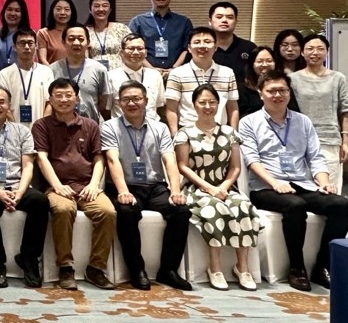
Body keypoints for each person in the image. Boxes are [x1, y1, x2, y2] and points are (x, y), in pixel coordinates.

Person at [240, 70, 348, 291]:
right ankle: (297, 268)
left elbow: (315, 157)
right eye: (271, 91)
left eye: (282, 90)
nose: (277, 95)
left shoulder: (303, 121)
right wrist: (275, 183)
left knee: (341, 205)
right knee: (295, 206)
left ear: (289, 93)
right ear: (261, 93)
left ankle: (323, 266)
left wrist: (323, 182)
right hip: (266, 187)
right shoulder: (249, 122)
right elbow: (251, 160)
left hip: (302, 183)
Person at [102, 81, 191, 291]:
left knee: (181, 211)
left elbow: (169, 159)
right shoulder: (109, 126)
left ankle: (168, 270)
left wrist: (175, 191)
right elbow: (112, 160)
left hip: (154, 186)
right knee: (126, 211)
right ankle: (136, 270)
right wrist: (123, 191)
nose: (132, 103)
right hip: (124, 185)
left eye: (136, 98)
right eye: (126, 99)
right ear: (119, 103)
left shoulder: (159, 128)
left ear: (146, 101)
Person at [33, 78, 116, 291]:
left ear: (76, 98)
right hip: (56, 187)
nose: (64, 100)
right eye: (58, 96)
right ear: (50, 100)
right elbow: (41, 158)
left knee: (107, 212)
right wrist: (57, 185)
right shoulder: (41, 125)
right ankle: (65, 267)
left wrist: (94, 184)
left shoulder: (90, 125)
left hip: (87, 186)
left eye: (68, 95)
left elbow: (99, 159)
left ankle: (96, 268)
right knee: (63, 210)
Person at [175, 84, 260, 291]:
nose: (207, 107)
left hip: (225, 187)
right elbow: (183, 166)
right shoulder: (185, 133)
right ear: (194, 105)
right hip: (196, 188)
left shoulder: (229, 133)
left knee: (243, 207)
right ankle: (215, 267)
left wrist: (224, 186)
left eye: (212, 102)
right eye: (202, 102)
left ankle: (242, 267)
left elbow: (236, 167)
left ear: (218, 104)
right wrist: (209, 188)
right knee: (214, 208)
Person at [0, 87, 49, 288]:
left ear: (9, 106)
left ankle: (29, 258)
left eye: (2, 102)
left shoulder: (22, 131)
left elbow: (28, 165)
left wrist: (19, 192)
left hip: (18, 185)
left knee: (40, 201)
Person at [290, 34, 348, 194]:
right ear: (302, 52)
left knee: (330, 189)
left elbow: (345, 111)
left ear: (327, 52)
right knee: (303, 190)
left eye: (320, 49)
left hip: (329, 140)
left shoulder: (338, 78)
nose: (315, 52)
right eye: (310, 49)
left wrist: (345, 142)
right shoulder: (292, 79)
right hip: (299, 141)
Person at [165, 27, 239, 135]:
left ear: (216, 47)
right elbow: (171, 109)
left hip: (220, 132)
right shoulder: (177, 73)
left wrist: (234, 134)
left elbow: (232, 107)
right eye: (197, 42)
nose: (202, 45)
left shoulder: (227, 73)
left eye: (207, 42)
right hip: (187, 132)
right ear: (189, 48)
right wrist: (175, 135)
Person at [127, 0, 193, 71]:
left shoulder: (184, 22)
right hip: (145, 72)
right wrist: (151, 69)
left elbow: (187, 49)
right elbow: (132, 48)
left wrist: (174, 69)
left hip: (177, 73)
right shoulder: (138, 22)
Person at [49, 24, 111, 123]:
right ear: (63, 42)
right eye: (71, 39)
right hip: (58, 126)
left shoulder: (99, 69)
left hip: (90, 126)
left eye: (81, 39)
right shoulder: (52, 69)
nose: (76, 43)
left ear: (88, 42)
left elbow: (103, 103)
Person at [0, 29, 53, 129]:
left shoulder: (46, 72)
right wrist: (15, 129)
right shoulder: (5, 74)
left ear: (36, 46)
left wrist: (41, 128)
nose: (26, 47)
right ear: (14, 47)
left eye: (30, 43)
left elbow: (50, 103)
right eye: (22, 43)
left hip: (40, 130)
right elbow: (3, 104)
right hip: (12, 129)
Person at [107, 34, 166, 123]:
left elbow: (160, 105)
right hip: (121, 128)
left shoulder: (155, 75)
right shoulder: (111, 76)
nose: (136, 52)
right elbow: (106, 109)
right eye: (131, 48)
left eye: (140, 48)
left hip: (151, 127)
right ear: (121, 53)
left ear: (145, 52)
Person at [239, 46, 299, 116]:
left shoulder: (283, 84)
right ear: (252, 64)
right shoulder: (242, 88)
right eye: (259, 61)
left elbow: (294, 110)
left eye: (269, 61)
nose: (265, 64)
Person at [85, 0, 131, 70]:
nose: (101, 9)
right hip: (94, 72)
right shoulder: (85, 31)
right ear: (90, 9)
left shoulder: (122, 28)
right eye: (96, 6)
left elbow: (133, 49)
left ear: (110, 9)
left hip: (119, 72)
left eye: (105, 6)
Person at [209, 2, 256, 72]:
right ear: (210, 21)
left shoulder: (249, 47)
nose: (224, 20)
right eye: (219, 17)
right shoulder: (203, 48)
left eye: (230, 17)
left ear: (236, 21)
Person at [36, 0, 75, 65]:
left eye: (67, 9)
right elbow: (43, 60)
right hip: (50, 70)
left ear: (72, 12)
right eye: (58, 9)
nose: (62, 13)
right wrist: (52, 71)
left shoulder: (78, 32)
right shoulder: (44, 33)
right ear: (52, 11)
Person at [0, 0, 31, 70]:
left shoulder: (29, 35)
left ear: (23, 14)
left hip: (21, 74)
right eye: (9, 9)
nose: (12, 13)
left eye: (17, 10)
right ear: (4, 12)